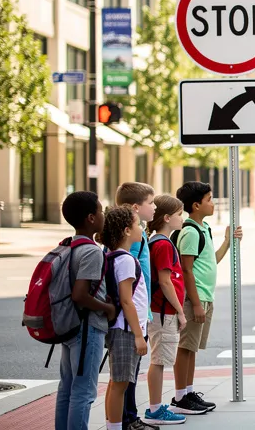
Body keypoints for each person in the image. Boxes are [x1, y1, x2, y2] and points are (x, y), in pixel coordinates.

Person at [172, 182, 242, 414]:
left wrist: (228, 241)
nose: (212, 203)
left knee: (192, 348)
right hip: (195, 299)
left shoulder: (204, 229)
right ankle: (180, 397)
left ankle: (188, 392)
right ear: (196, 205)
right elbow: (187, 270)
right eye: (209, 199)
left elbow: (211, 261)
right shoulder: (190, 231)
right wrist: (195, 303)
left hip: (204, 298)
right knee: (185, 347)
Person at [55, 192, 117, 430]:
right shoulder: (91, 251)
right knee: (83, 392)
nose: (103, 215)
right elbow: (80, 294)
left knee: (67, 388)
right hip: (87, 327)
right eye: (101, 211)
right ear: (91, 218)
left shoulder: (69, 245)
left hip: (69, 326)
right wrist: (107, 307)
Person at [114, 182, 157, 430]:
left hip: (141, 312)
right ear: (134, 208)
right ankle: (127, 419)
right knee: (126, 375)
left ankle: (130, 416)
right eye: (150, 203)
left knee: (131, 372)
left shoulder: (138, 234)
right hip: (130, 318)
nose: (154, 207)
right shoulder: (131, 238)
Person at [102, 205, 149, 430]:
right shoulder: (126, 260)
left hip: (121, 328)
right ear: (126, 230)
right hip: (125, 330)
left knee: (116, 382)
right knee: (120, 384)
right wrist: (139, 336)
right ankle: (115, 427)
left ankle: (113, 424)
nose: (141, 227)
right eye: (138, 224)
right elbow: (127, 300)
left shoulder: (113, 256)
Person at [143, 195, 188, 425]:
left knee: (160, 358)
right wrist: (180, 311)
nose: (183, 218)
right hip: (163, 311)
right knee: (159, 359)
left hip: (161, 310)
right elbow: (165, 281)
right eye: (180, 214)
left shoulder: (159, 242)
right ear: (167, 218)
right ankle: (154, 409)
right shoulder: (162, 244)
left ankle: (155, 407)